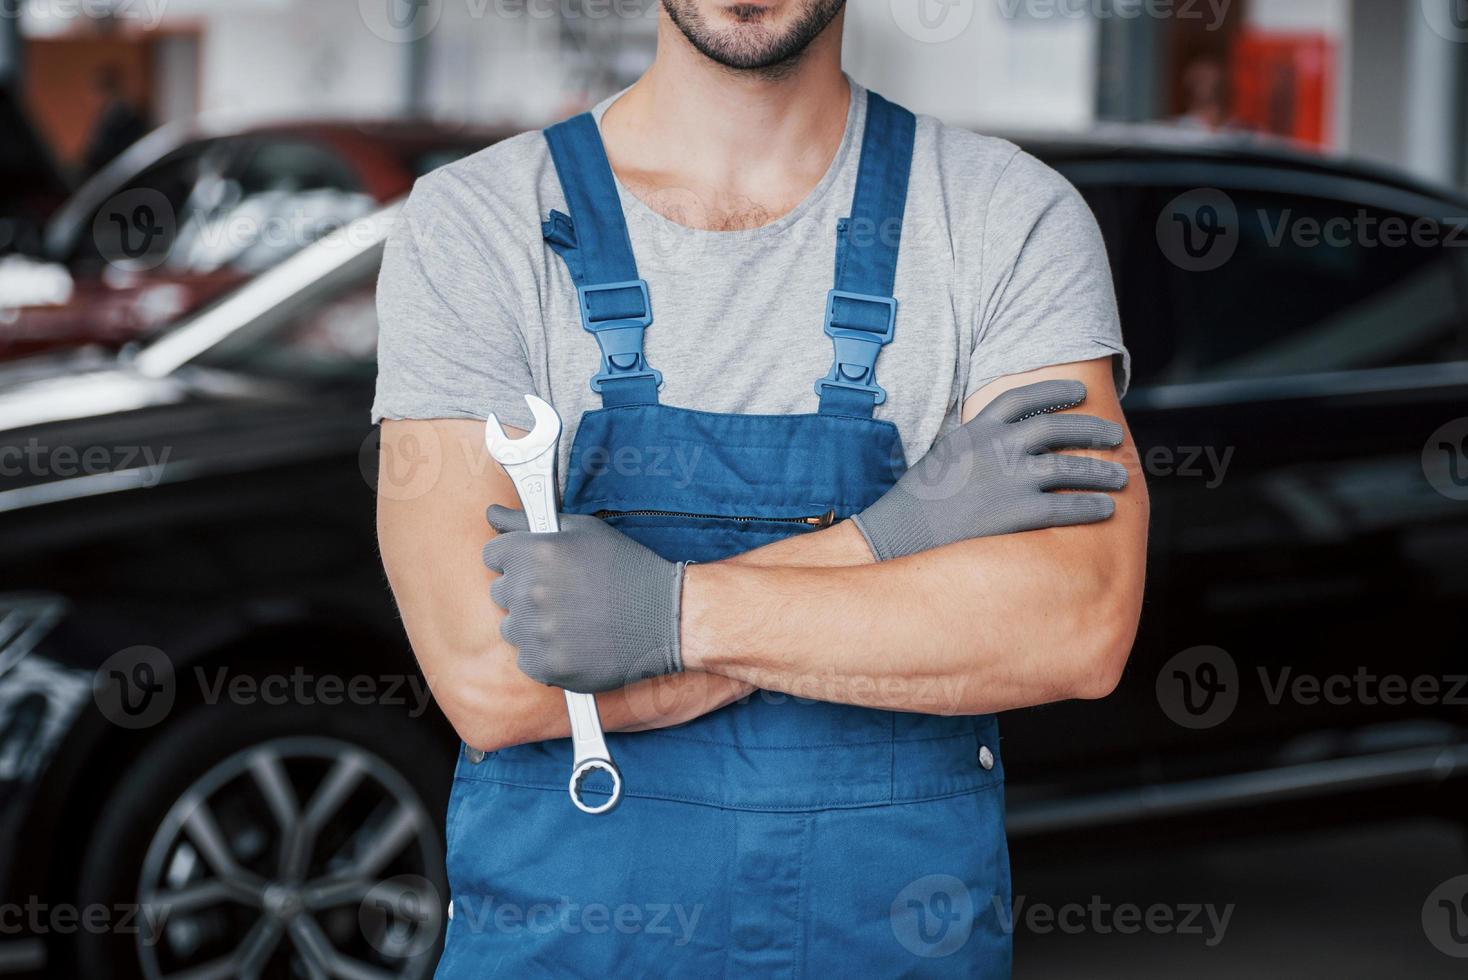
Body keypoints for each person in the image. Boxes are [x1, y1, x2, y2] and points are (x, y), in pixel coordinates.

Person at [374, 1, 1148, 975]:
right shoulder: (476, 227)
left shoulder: (1004, 217)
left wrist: (662, 614)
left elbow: (1069, 625)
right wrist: (895, 533)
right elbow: (494, 680)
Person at [81, 66, 148, 178]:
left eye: (94, 92)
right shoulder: (109, 116)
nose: (91, 99)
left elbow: (99, 156)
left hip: (118, 180)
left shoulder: (120, 118)